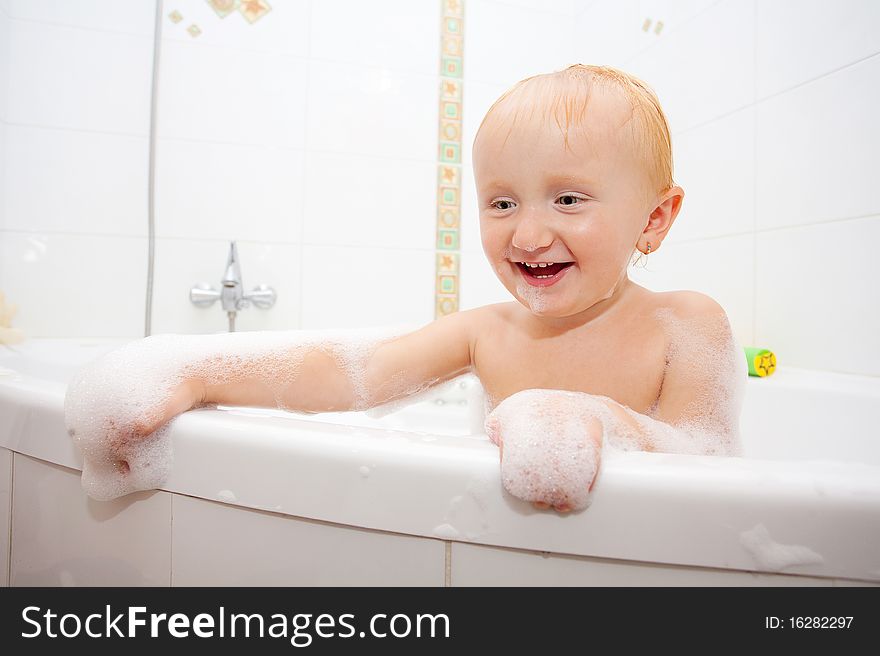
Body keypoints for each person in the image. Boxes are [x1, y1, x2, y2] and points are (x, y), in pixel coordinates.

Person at [65, 64, 745, 510]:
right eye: (502, 203)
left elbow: (710, 462)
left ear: (654, 219)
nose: (529, 234)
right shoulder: (488, 331)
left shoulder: (684, 325)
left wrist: (600, 423)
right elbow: (349, 373)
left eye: (568, 199)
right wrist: (195, 375)